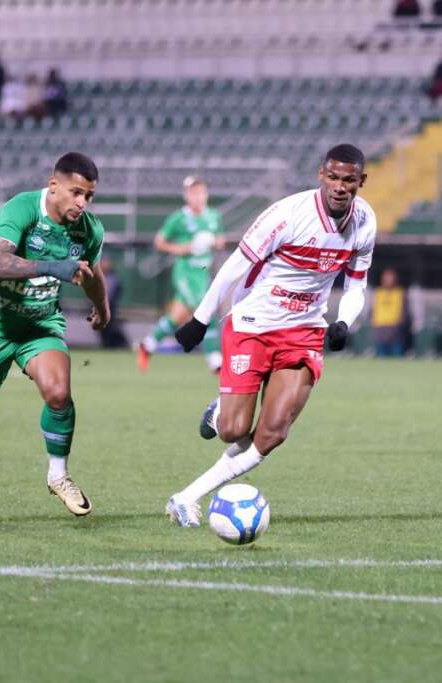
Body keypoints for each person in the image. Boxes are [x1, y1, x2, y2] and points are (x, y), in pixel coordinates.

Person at [164, 144, 376, 527]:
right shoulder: (287, 215)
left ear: (361, 181)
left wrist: (344, 321)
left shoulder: (365, 222)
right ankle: (221, 411)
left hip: (304, 332)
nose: (340, 187)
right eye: (333, 177)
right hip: (253, 324)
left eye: (349, 180)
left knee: (273, 432)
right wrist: (199, 320)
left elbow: (357, 284)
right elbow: (234, 266)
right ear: (321, 175)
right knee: (233, 430)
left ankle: (185, 498)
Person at [0, 152, 110, 525]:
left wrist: (102, 308)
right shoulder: (22, 209)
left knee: (59, 393)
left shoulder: (89, 230)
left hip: (39, 324)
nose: (82, 203)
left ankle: (58, 475)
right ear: (54, 185)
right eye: (76, 192)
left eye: (89, 196)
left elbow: (92, 273)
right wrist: (51, 266)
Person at [136, 176, 225, 373]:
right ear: (186, 196)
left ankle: (147, 345)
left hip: (202, 274)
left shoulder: (213, 216)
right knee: (206, 310)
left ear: (206, 194)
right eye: (192, 192)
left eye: (200, 192)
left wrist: (215, 242)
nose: (197, 196)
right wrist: (180, 249)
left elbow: (220, 239)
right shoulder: (178, 218)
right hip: (185, 273)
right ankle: (215, 361)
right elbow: (160, 241)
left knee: (176, 317)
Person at [371, 267, 406, 357]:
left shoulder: (400, 293)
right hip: (380, 329)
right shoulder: (378, 292)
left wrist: (399, 325)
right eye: (386, 278)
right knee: (381, 356)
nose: (389, 281)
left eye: (391, 278)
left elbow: (404, 311)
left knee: (397, 356)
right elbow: (373, 310)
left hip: (395, 329)